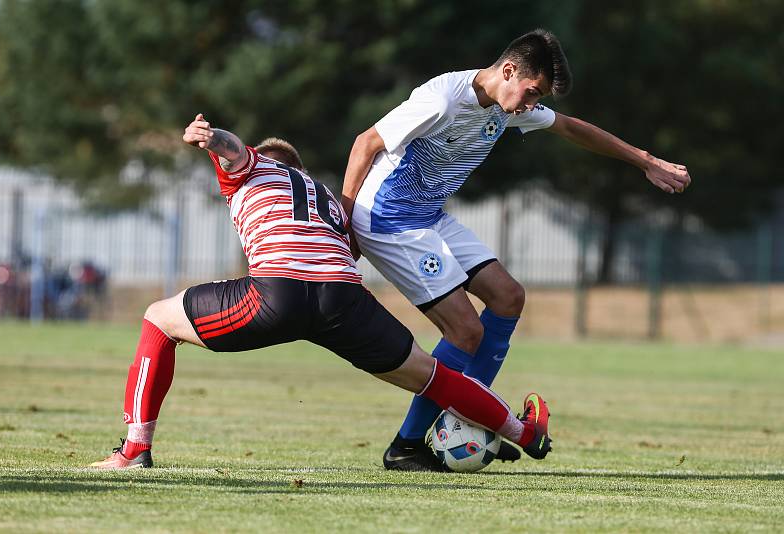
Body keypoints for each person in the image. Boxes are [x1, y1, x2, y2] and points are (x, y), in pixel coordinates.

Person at [90, 114, 553, 469]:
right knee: (433, 375)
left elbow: (234, 149)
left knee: (157, 317)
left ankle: (134, 449)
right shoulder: (324, 195)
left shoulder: (254, 170)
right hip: (343, 300)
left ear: (267, 160)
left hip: (277, 294)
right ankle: (523, 431)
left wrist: (212, 139)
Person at [341, 28, 691, 471]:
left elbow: (569, 127)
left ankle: (467, 419)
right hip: (388, 220)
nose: (532, 104)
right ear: (509, 71)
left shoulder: (507, 107)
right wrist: (345, 226)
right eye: (532, 92)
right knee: (465, 331)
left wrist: (646, 161)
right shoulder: (442, 100)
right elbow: (365, 143)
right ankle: (408, 445)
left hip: (428, 215)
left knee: (509, 297)